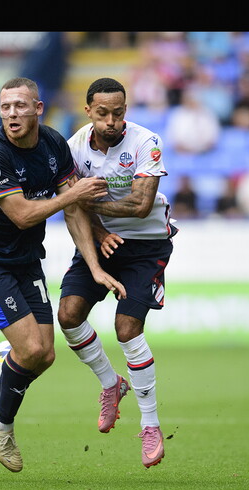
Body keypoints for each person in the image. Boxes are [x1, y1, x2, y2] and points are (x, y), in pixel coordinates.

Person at [0, 77, 127, 473]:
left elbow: (74, 209)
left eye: (20, 106)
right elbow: (22, 215)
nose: (11, 114)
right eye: (5, 107)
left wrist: (95, 266)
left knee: (45, 354)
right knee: (31, 349)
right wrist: (74, 193)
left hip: (27, 259)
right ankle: (2, 423)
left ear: (38, 108)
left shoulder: (52, 143)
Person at [58, 77, 177, 468]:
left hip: (146, 247)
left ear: (126, 110)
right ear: (88, 110)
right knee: (68, 315)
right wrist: (97, 230)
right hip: (100, 242)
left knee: (127, 329)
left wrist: (86, 200)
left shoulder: (146, 143)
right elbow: (70, 207)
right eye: (103, 113)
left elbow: (140, 206)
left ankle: (150, 425)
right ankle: (111, 384)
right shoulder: (74, 147)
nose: (111, 121)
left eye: (118, 113)